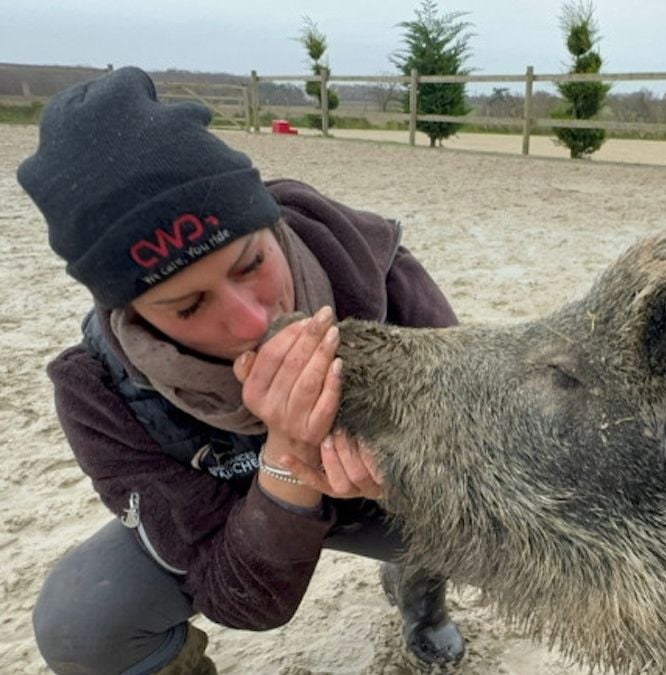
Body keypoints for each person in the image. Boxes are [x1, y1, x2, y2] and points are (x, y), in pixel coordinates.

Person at [17, 66, 465, 674]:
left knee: (486, 521)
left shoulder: (373, 267)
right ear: (132, 312)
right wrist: (290, 459)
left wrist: (402, 477)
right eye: (189, 305)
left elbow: (481, 444)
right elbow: (247, 604)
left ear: (268, 223)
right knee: (83, 621)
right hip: (238, 532)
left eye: (251, 262)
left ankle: (421, 600)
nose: (252, 321)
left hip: (385, 505)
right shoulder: (99, 392)